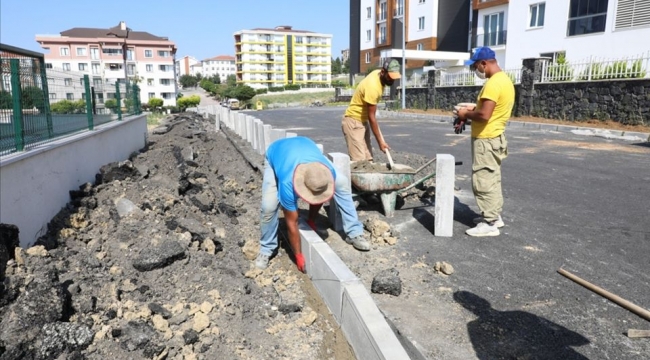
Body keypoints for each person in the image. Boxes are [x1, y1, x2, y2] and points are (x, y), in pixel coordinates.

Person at [255, 136, 370, 272]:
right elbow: (292, 223)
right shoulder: (287, 183)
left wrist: (311, 220)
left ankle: (354, 232)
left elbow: (318, 194)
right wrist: (297, 255)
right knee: (269, 206)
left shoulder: (327, 172)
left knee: (343, 183)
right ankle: (267, 248)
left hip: (306, 146)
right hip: (276, 152)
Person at [455, 47, 515, 237]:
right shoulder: (503, 80)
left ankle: (489, 223)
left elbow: (484, 114)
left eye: (475, 67)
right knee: (492, 178)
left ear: (484, 63)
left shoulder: (493, 84)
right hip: (494, 138)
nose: (476, 71)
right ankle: (494, 216)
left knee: (483, 179)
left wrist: (465, 113)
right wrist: (471, 109)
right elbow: (488, 109)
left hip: (486, 140)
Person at [342, 59, 401, 162]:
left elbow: (370, 116)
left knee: (368, 159)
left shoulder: (377, 75)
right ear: (383, 72)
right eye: (390, 77)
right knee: (359, 163)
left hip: (363, 122)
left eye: (394, 78)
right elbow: (372, 117)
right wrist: (380, 143)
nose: (392, 80)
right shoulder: (373, 87)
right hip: (353, 121)